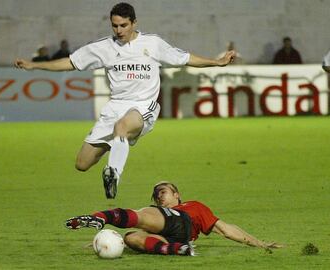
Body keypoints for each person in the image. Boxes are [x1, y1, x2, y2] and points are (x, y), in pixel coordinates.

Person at [14, 2, 235, 199]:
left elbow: (186, 58)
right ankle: (119, 146)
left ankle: (114, 174)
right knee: (82, 164)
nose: (119, 31)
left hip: (142, 106)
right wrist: (34, 66)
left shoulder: (153, 43)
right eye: (115, 26)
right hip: (114, 107)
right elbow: (71, 62)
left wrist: (217, 62)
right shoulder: (103, 48)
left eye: (124, 25)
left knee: (123, 126)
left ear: (134, 23)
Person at [65, 181, 283, 256]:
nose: (159, 194)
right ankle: (176, 250)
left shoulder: (193, 206)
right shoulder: (155, 210)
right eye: (157, 192)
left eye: (164, 191)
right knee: (131, 238)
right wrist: (97, 243)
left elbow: (225, 229)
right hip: (174, 238)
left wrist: (258, 243)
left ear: (177, 194)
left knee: (141, 216)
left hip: (179, 221)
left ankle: (100, 217)